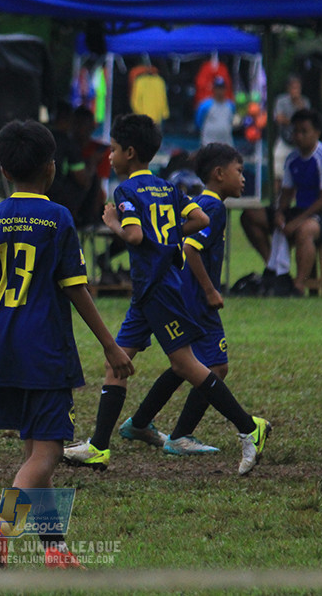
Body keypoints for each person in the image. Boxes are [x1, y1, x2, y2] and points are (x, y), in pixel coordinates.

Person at [0, 119, 134, 569]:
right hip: (45, 353)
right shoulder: (59, 219)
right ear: (51, 168)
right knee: (46, 456)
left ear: (3, 171)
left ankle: (56, 550)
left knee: (33, 453)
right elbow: (76, 289)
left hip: (2, 351)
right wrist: (109, 345)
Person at [62, 114, 270, 476]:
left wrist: (112, 221)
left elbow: (134, 236)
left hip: (159, 290)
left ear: (129, 152)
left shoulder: (125, 191)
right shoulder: (168, 188)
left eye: (112, 150)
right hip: (148, 293)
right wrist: (169, 235)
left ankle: (250, 428)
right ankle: (98, 447)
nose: (109, 157)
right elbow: (199, 222)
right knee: (116, 363)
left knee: (185, 365)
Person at [121, 143, 248, 456]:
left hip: (179, 294)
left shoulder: (205, 202)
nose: (243, 178)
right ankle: (181, 435)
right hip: (194, 298)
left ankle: (140, 422)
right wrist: (208, 290)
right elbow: (190, 248)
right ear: (219, 174)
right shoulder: (212, 207)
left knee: (185, 365)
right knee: (214, 367)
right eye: (239, 171)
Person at [240, 108, 322, 296]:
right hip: (300, 211)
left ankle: (298, 286)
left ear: (317, 133)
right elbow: (286, 193)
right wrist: (279, 212)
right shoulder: (292, 159)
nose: (298, 136)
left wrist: (296, 221)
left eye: (304, 131)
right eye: (295, 131)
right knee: (249, 215)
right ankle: (275, 269)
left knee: (305, 230)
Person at [47, 104, 100, 228]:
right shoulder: (69, 144)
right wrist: (92, 163)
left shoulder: (42, 138)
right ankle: (84, 218)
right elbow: (83, 181)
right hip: (59, 200)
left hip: (38, 193)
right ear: (69, 120)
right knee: (92, 178)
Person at [270, 74, 310, 190]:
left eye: (298, 88)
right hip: (284, 140)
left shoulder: (304, 102)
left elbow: (306, 120)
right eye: (293, 88)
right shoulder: (281, 101)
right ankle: (276, 198)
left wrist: (298, 105)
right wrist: (294, 121)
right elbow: (279, 118)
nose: (296, 91)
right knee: (277, 171)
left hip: (298, 142)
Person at [194, 76, 235, 147]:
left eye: (222, 88)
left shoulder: (230, 105)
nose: (220, 91)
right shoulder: (205, 105)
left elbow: (232, 120)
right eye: (217, 88)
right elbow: (198, 121)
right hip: (208, 141)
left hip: (225, 142)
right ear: (213, 89)